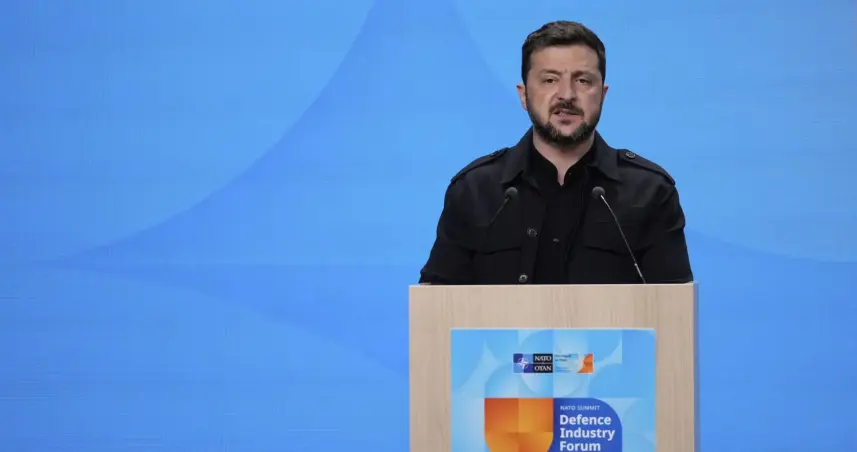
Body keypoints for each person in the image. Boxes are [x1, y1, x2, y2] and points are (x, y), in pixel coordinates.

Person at [419, 20, 693, 285]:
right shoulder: (474, 191)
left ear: (602, 95)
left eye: (583, 81)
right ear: (524, 95)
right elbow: (436, 305)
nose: (567, 95)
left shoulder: (650, 192)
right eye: (550, 80)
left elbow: (674, 309)